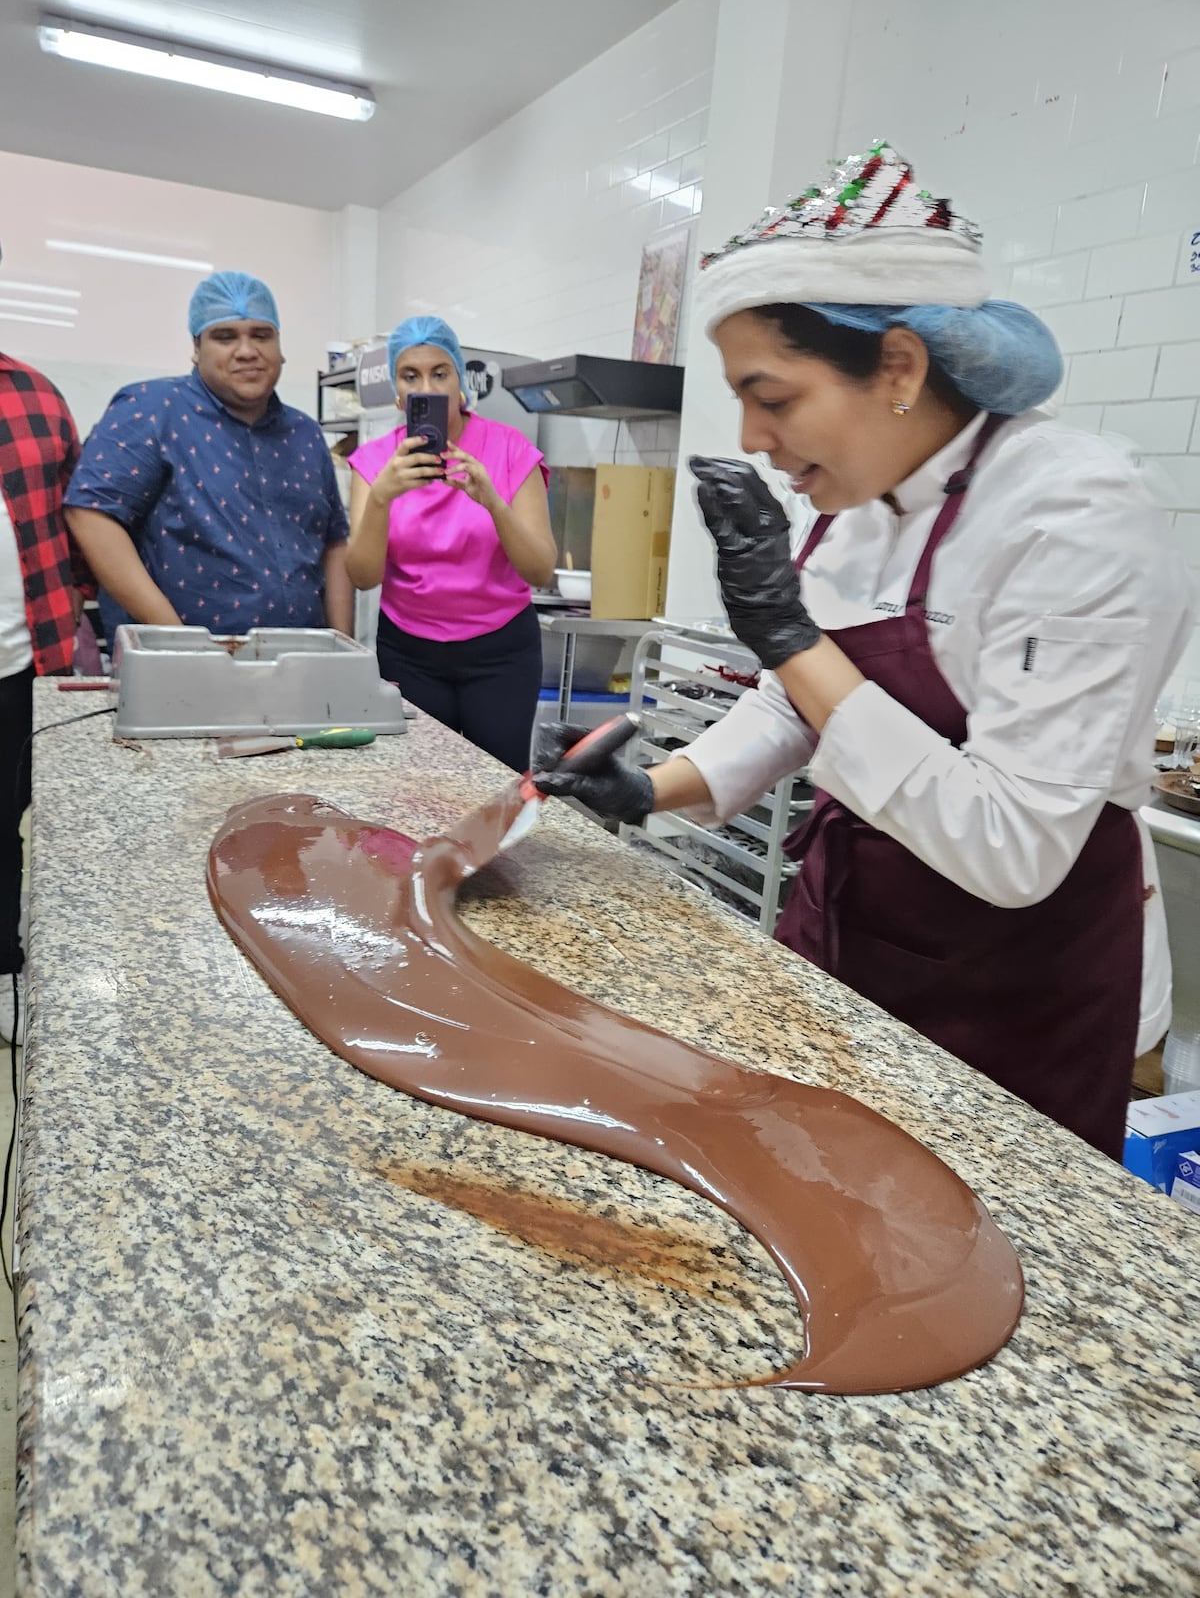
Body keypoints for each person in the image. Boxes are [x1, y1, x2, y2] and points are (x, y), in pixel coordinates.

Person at [534, 141, 1195, 1160]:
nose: (751, 437)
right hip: (855, 922)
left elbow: (1012, 845)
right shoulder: (852, 504)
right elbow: (797, 700)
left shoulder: (1073, 513)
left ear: (898, 368)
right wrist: (654, 789)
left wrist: (791, 637)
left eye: (773, 397)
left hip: (1019, 978)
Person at [64, 271, 351, 641]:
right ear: (197, 348)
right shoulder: (152, 410)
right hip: (180, 660)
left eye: (261, 335)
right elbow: (90, 513)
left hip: (302, 657)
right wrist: (180, 641)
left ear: (279, 347)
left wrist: (343, 646)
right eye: (225, 336)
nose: (247, 351)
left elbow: (334, 541)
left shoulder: (305, 434)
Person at [346, 315, 555, 772]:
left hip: (501, 651)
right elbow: (362, 577)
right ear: (397, 393)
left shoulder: (510, 449)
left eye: (440, 373)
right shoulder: (374, 462)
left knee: (496, 785)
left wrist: (493, 503)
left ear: (461, 383)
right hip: (408, 651)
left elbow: (540, 569)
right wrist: (380, 498)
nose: (427, 388)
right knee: (416, 787)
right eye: (410, 376)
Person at [0, 263, 91, 1035]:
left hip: (24, 659)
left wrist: (82, 607)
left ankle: (5, 967)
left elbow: (76, 514)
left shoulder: (34, 394)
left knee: (14, 818)